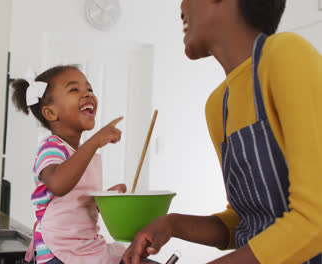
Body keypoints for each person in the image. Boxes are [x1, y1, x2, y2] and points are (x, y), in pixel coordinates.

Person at [122, 0, 322, 263]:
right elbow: (246, 221)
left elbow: (314, 221)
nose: (181, 6)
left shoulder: (285, 53)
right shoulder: (219, 105)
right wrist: (171, 224)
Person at [12, 65, 128, 264]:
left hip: (84, 246)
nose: (87, 94)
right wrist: (95, 141)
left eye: (89, 89)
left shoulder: (82, 152)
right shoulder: (51, 148)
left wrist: (105, 200)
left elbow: (76, 203)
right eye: (75, 90)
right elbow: (58, 185)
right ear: (50, 113)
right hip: (59, 252)